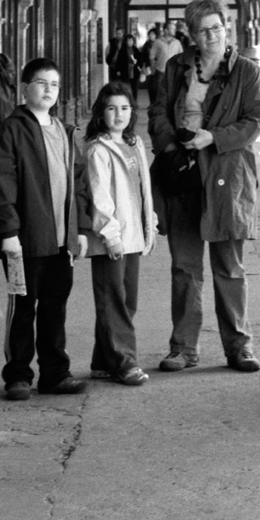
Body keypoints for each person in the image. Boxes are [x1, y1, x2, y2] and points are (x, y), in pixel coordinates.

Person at [149, 0, 260, 372]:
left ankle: (239, 346)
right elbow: (158, 112)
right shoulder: (175, 67)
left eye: (217, 27)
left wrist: (211, 138)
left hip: (227, 175)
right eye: (203, 30)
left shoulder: (246, 71)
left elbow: (254, 121)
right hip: (182, 174)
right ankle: (183, 348)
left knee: (229, 266)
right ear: (192, 35)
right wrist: (170, 147)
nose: (212, 35)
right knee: (185, 267)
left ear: (226, 27)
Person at [0, 57, 89, 401]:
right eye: (41, 83)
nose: (48, 90)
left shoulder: (63, 130)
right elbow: (1, 182)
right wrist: (8, 231)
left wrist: (80, 230)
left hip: (61, 240)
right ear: (25, 88)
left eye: (54, 85)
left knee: (55, 308)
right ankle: (17, 375)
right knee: (23, 307)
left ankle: (55, 373)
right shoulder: (12, 129)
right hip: (25, 240)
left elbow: (78, 183)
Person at [83, 82, 156, 386]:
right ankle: (125, 362)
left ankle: (102, 361)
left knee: (127, 301)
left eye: (125, 108)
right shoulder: (98, 149)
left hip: (134, 236)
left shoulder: (134, 144)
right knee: (113, 301)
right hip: (112, 237)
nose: (119, 114)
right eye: (111, 108)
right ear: (101, 112)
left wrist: (148, 223)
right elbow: (100, 197)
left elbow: (142, 190)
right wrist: (110, 235)